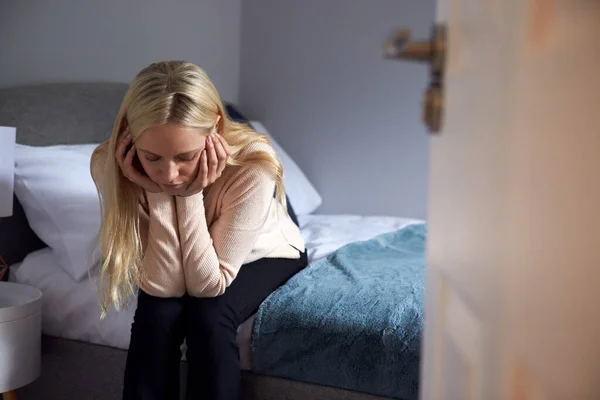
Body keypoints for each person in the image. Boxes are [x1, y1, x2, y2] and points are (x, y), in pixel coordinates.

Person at [90, 60, 307, 400]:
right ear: (129, 136)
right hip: (186, 262)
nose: (170, 174)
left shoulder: (253, 166)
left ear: (215, 129)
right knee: (156, 312)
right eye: (153, 157)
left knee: (209, 314)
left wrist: (189, 197)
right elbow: (165, 287)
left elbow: (208, 285)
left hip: (265, 250)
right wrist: (159, 195)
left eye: (185, 156)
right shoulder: (110, 164)